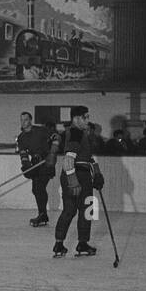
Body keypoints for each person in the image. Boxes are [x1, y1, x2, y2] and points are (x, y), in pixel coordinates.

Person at [53, 106, 98, 258]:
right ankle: (82, 243)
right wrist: (73, 181)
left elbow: (88, 157)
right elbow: (68, 160)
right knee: (87, 210)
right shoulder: (76, 133)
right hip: (77, 175)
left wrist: (97, 173)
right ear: (76, 118)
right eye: (86, 117)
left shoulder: (78, 133)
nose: (88, 120)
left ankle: (59, 244)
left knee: (70, 210)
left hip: (77, 174)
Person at [15, 111, 55, 228]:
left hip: (46, 162)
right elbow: (23, 154)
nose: (23, 122)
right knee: (36, 189)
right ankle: (43, 214)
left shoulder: (41, 131)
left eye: (26, 120)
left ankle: (42, 215)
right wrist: (26, 166)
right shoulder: (21, 137)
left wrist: (52, 153)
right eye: (21, 120)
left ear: (30, 120)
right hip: (36, 163)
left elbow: (56, 137)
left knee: (39, 187)